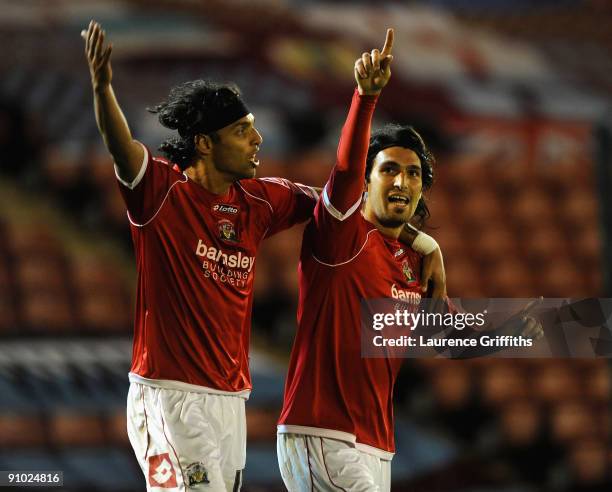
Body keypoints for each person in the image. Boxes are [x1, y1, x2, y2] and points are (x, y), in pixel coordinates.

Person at [82, 21, 446, 492]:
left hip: (231, 401)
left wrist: (421, 240)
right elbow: (121, 147)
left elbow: (343, 205)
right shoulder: (161, 194)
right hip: (165, 395)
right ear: (206, 143)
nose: (257, 141)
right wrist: (102, 88)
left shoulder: (260, 201)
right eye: (242, 132)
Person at [276, 29, 541, 491]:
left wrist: (508, 335)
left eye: (413, 173)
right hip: (324, 433)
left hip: (376, 444)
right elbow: (342, 172)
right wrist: (366, 98)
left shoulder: (410, 259)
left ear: (422, 189)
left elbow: (448, 338)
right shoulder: (341, 237)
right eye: (389, 170)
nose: (401, 181)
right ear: (369, 181)